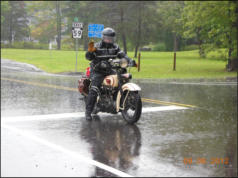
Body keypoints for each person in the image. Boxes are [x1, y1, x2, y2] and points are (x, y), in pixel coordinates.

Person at [85, 27, 136, 121]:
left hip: (109, 69)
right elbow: (88, 57)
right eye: (107, 38)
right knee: (95, 88)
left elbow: (122, 55)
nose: (109, 40)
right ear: (103, 37)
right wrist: (90, 51)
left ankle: (123, 100)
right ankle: (88, 112)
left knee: (122, 78)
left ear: (113, 38)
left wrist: (130, 61)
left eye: (111, 38)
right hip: (97, 70)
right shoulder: (97, 46)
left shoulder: (115, 47)